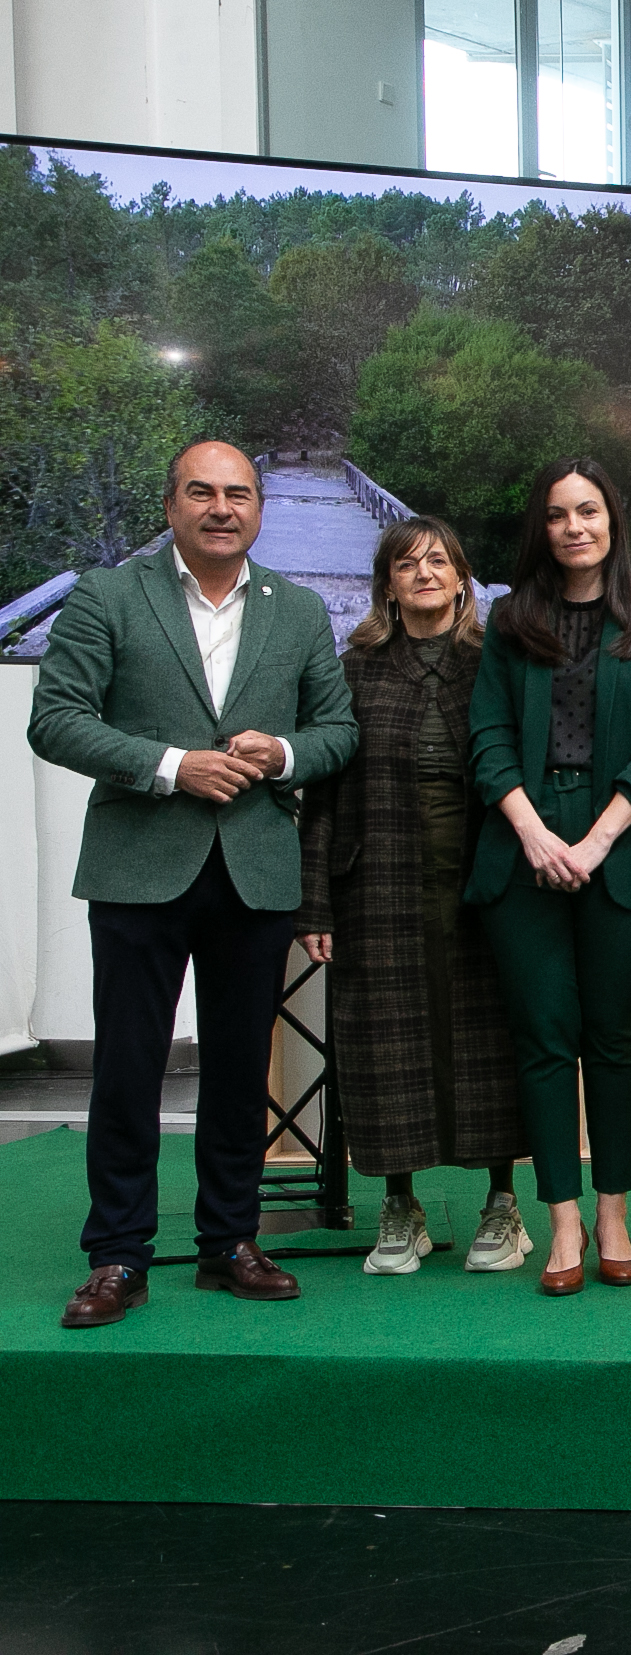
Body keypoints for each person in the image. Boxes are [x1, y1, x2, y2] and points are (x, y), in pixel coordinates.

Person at [33, 439, 357, 1328]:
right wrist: (175, 765)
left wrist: (281, 752)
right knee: (129, 1068)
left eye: (239, 494)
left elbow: (337, 731)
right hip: (138, 867)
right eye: (203, 492)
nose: (222, 508)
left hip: (254, 872)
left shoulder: (297, 610)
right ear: (172, 504)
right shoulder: (108, 595)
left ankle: (229, 1242)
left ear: (259, 509)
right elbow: (55, 719)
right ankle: (117, 1255)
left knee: (239, 1073)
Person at [467, 458, 631, 1296]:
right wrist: (532, 832)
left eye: (588, 511)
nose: (574, 527)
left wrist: (593, 842)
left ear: (612, 520)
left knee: (612, 1037)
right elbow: (488, 735)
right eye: (558, 514)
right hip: (522, 843)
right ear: (543, 527)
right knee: (543, 1038)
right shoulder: (509, 619)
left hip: (620, 846)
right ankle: (561, 1218)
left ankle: (613, 1213)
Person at [297, 517, 529, 1276]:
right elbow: (322, 792)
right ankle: (399, 1205)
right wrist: (314, 902)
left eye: (438, 561)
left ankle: (503, 1203)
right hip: (378, 879)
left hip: (484, 877)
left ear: (462, 579)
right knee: (384, 1041)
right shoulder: (354, 668)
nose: (424, 573)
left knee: (491, 1034)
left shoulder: (497, 661)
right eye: (407, 564)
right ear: (388, 585)